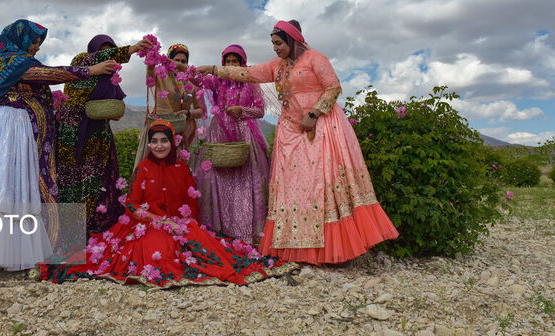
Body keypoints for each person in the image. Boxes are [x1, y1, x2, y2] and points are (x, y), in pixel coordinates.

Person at [198, 20, 398, 265]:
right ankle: (300, 249)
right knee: (294, 190)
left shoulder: (315, 59)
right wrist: (213, 69)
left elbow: (333, 87)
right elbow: (248, 73)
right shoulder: (277, 66)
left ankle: (338, 250)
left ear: (293, 41)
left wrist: (313, 114)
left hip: (321, 126)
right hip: (290, 132)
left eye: (279, 43)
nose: (275, 48)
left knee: (323, 185)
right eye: (273, 44)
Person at [0, 20, 117, 271]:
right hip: (12, 126)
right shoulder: (13, 62)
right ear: (20, 40)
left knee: (7, 183)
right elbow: (49, 75)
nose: (36, 48)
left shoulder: (8, 61)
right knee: (6, 181)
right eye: (33, 42)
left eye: (38, 43)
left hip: (7, 126)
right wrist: (91, 70)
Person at [38, 120, 296, 287]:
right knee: (158, 258)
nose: (159, 145)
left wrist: (182, 224)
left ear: (172, 142)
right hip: (147, 226)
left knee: (213, 252)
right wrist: (159, 220)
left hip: (180, 224)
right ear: (148, 143)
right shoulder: (143, 168)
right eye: (154, 141)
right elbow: (133, 205)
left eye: (164, 140)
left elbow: (190, 204)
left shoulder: (182, 168)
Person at [58, 35, 153, 235]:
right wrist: (134, 48)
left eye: (110, 50)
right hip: (73, 131)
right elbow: (100, 58)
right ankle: (70, 231)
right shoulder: (81, 60)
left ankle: (97, 227)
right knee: (73, 179)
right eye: (102, 50)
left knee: (99, 178)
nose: (107, 56)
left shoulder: (108, 79)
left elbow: (111, 106)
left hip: (98, 130)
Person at [193, 44, 270, 245]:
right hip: (219, 133)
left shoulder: (250, 82)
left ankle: (248, 232)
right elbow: (195, 80)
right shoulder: (216, 80)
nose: (231, 65)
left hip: (244, 133)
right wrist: (195, 70)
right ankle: (220, 229)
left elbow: (260, 111)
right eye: (228, 62)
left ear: (242, 63)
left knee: (245, 180)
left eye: (235, 62)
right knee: (220, 178)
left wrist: (242, 110)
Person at [132, 43, 204, 170]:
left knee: (182, 175)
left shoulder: (192, 82)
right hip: (160, 132)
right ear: (169, 60)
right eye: (176, 60)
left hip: (185, 134)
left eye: (183, 61)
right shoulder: (160, 75)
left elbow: (201, 111)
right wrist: (150, 62)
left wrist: (188, 113)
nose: (179, 64)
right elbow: (150, 75)